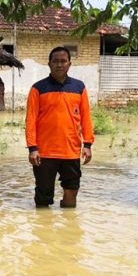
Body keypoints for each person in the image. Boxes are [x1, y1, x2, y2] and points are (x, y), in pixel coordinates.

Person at [25, 46, 94, 208]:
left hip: (71, 152)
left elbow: (86, 118)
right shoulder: (38, 88)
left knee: (71, 195)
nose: (59, 65)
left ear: (69, 64)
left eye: (63, 61)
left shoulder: (79, 87)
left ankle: (69, 227)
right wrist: (32, 148)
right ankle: (43, 229)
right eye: (55, 61)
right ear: (49, 64)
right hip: (44, 153)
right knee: (43, 198)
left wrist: (88, 144)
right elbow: (30, 120)